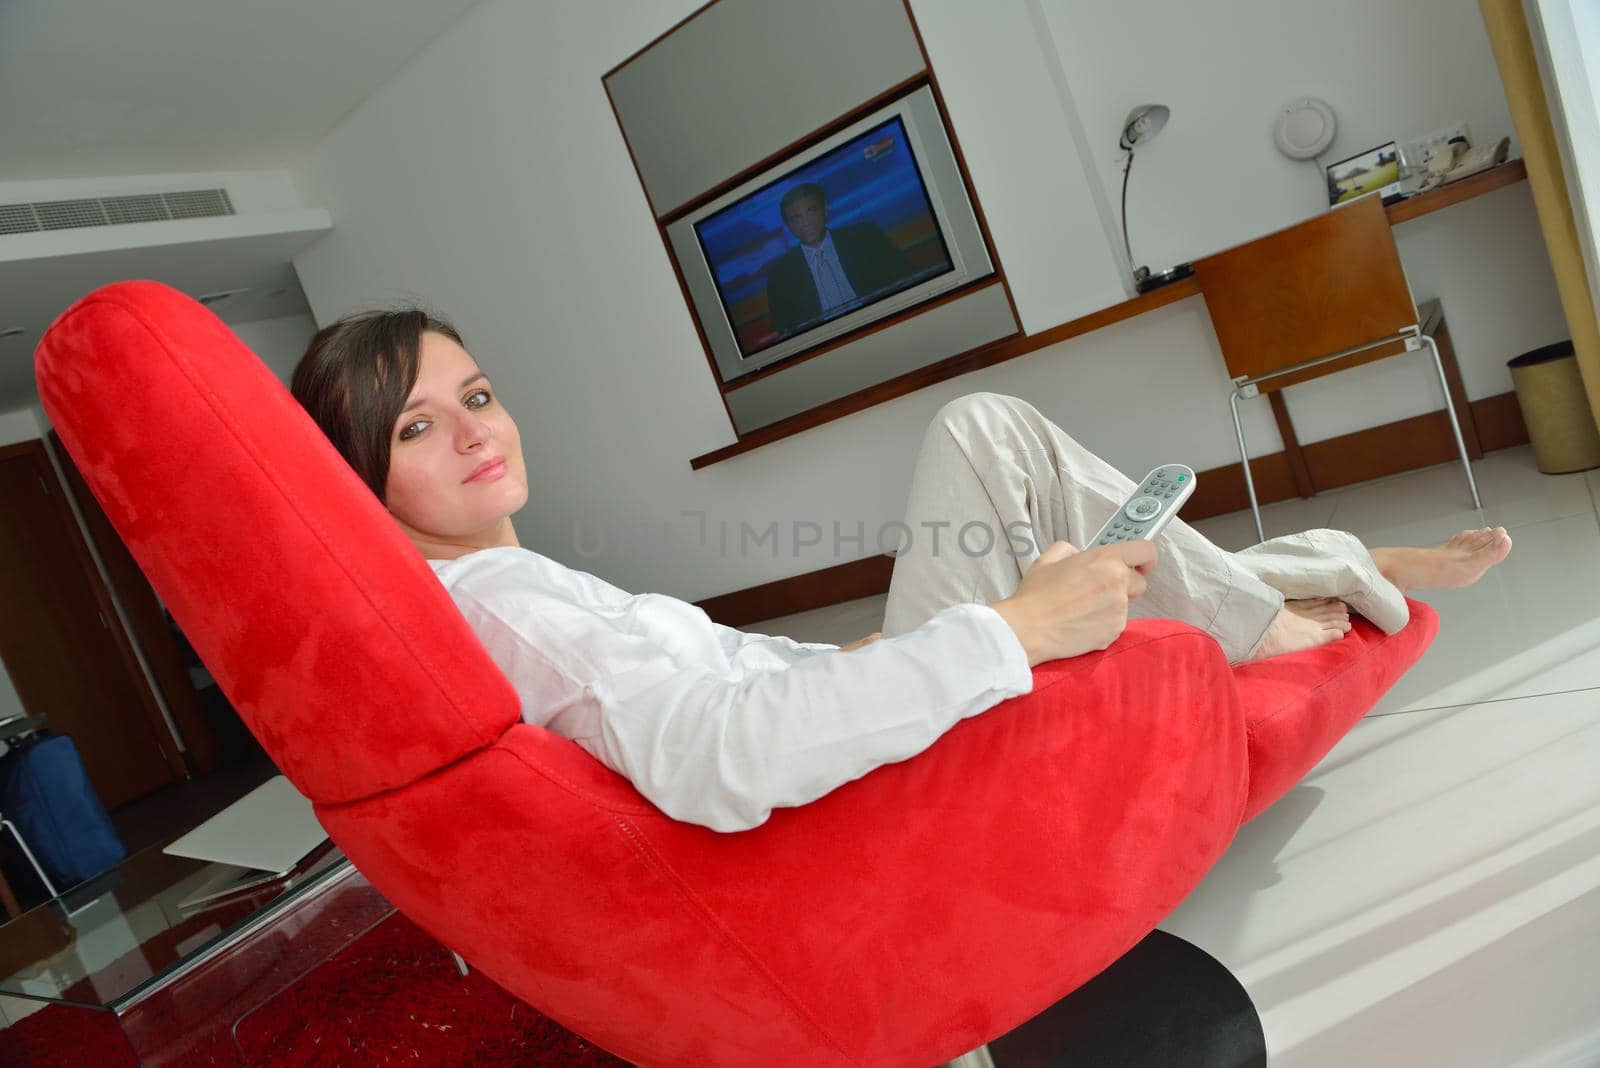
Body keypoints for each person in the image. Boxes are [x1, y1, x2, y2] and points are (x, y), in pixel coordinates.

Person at [291, 310, 1513, 832]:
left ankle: (1314, 568)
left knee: (1014, 462)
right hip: (868, 792)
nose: (473, 432)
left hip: (849, 701)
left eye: (478, 395)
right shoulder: (505, 603)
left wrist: (846, 656)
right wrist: (1017, 631)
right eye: (414, 428)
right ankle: (1305, 602)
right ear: (365, 482)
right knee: (990, 438)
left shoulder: (505, 586)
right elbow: (721, 761)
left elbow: (717, 683)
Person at [763, 182, 919, 337]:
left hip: (880, 327)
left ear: (825, 209)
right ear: (788, 225)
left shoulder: (865, 237)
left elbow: (907, 275)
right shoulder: (780, 274)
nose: (806, 223)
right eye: (796, 218)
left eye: (811, 211)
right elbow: (784, 330)